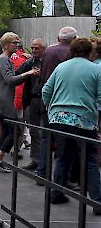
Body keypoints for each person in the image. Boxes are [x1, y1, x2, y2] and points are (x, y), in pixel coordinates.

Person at [42, 38, 101, 214]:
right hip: (84, 120)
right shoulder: (95, 70)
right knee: (90, 160)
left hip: (59, 119)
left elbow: (46, 90)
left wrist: (51, 109)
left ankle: (55, 192)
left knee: (63, 157)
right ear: (89, 52)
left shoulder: (61, 67)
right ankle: (97, 201)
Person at [0, 32, 39, 172]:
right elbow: (10, 79)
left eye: (18, 43)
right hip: (4, 101)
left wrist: (25, 70)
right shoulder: (4, 59)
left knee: (7, 130)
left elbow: (14, 77)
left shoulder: (6, 59)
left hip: (3, 99)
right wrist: (27, 73)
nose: (17, 45)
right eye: (14, 43)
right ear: (5, 44)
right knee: (15, 130)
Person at [35, 26, 77, 179]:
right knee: (64, 141)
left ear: (59, 38)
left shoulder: (48, 52)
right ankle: (62, 177)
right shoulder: (72, 54)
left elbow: (43, 76)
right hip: (65, 102)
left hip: (47, 100)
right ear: (73, 39)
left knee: (46, 137)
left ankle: (42, 172)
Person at [15, 38, 46, 170]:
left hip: (44, 100)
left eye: (36, 48)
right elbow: (17, 74)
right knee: (33, 131)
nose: (33, 50)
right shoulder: (29, 62)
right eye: (32, 48)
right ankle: (35, 159)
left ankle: (43, 161)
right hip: (32, 99)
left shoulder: (47, 63)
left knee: (43, 132)